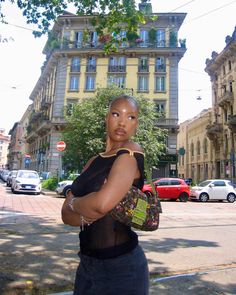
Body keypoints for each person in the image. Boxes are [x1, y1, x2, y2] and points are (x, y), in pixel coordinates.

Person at [61, 95, 149, 295]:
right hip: (86, 265)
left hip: (122, 269)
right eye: (116, 114)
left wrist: (75, 203)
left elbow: (102, 204)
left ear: (136, 124)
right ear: (106, 117)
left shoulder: (130, 153)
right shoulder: (92, 161)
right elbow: (65, 215)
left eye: (131, 117)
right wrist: (85, 208)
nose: (122, 122)